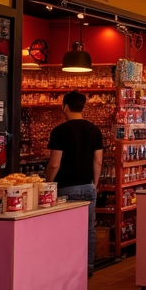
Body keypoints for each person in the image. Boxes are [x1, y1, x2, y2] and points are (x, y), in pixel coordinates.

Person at [45, 91, 103, 277]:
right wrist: (94, 183)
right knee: (88, 228)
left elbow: (55, 163)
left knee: (64, 229)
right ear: (83, 107)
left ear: (65, 107)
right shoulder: (94, 130)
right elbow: (98, 161)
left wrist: (48, 183)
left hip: (65, 187)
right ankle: (88, 267)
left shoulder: (60, 131)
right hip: (87, 185)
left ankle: (67, 266)